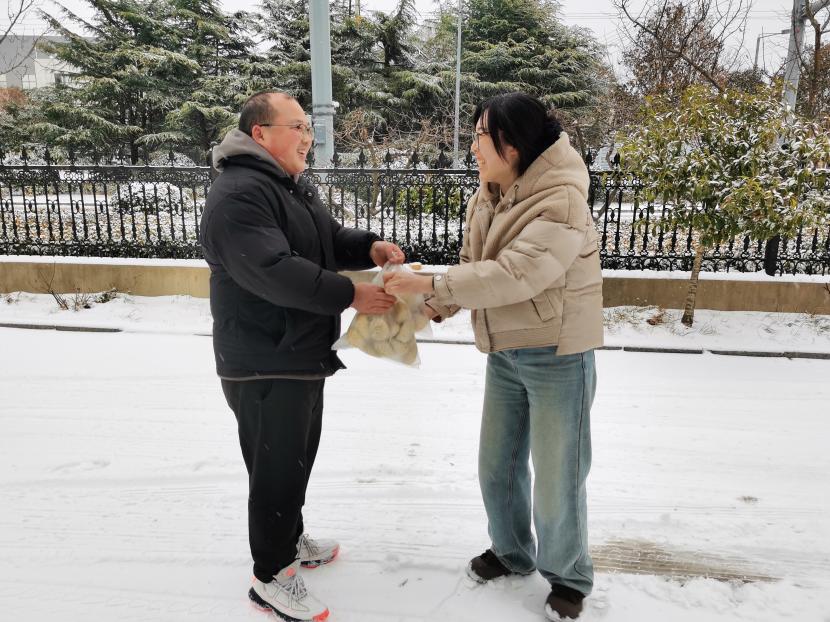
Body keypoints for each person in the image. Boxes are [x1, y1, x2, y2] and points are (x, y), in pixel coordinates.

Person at [384, 92, 603, 621]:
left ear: (513, 143)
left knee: (557, 476)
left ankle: (568, 576)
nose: (473, 147)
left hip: (557, 353)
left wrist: (429, 283)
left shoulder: (562, 198)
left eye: (481, 135)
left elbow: (517, 274)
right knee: (496, 465)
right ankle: (511, 551)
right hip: (505, 351)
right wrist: (427, 307)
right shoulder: (488, 194)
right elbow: (472, 265)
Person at [199, 90, 403, 622]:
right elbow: (274, 270)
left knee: (294, 461)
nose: (308, 137)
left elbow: (325, 240)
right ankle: (271, 575)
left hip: (296, 351)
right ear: (260, 133)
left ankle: (289, 540)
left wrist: (369, 246)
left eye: (308, 127)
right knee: (275, 471)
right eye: (297, 126)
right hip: (263, 358)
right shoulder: (239, 194)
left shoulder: (285, 184)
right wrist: (350, 294)